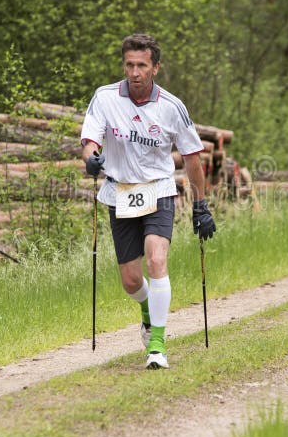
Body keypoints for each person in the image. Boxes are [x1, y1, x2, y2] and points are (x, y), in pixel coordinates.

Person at [80, 33, 215, 369]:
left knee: (156, 260)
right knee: (130, 280)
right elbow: (90, 140)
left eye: (142, 65)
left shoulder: (172, 106)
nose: (135, 72)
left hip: (159, 189)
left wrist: (201, 205)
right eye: (129, 65)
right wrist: (91, 158)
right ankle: (146, 310)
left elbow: (193, 158)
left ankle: (157, 345)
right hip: (119, 191)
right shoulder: (105, 97)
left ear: (156, 67)